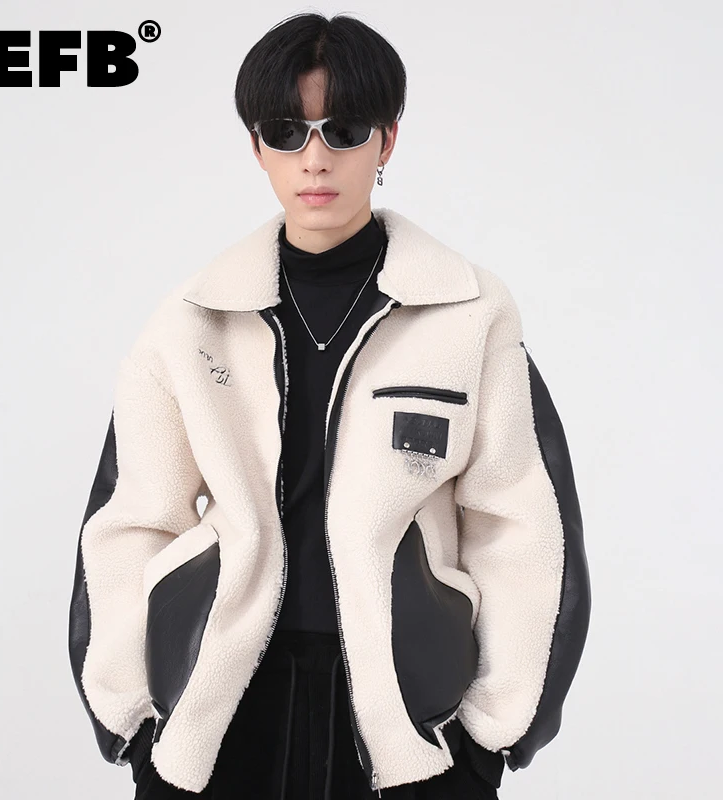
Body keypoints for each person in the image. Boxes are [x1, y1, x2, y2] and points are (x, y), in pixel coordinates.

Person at [68, 11, 591, 800]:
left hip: (409, 724)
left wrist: (490, 737)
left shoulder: (468, 313)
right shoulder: (190, 320)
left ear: (387, 141)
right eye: (287, 132)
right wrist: (138, 726)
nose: (315, 158)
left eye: (343, 130)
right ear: (257, 148)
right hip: (218, 715)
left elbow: (523, 524)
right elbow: (131, 522)